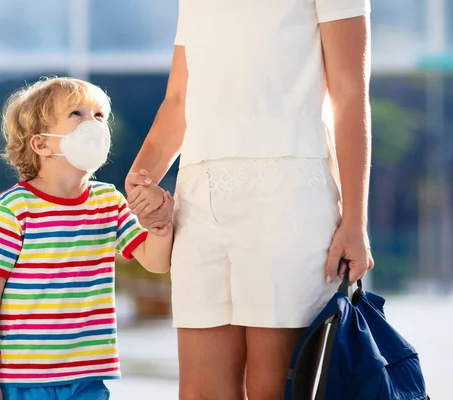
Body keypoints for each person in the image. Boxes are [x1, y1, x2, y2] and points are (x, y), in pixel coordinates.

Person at [125, 0, 375, 398]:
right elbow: (178, 100)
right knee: (200, 391)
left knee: (273, 386)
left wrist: (355, 221)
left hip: (289, 192)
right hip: (198, 194)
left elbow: (348, 93)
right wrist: (140, 180)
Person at [0, 77, 174, 400]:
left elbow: (156, 261)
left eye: (99, 116)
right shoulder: (13, 209)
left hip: (87, 376)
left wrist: (160, 224)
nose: (92, 124)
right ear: (41, 144)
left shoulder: (108, 201)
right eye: (76, 114)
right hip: (21, 378)